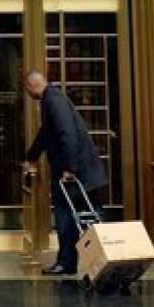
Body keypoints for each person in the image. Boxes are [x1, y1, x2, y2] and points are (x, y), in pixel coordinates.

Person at [21, 69, 107, 276]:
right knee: (77, 216)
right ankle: (73, 261)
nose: (28, 93)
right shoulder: (52, 100)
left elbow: (66, 134)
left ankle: (70, 261)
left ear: (33, 86)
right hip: (81, 172)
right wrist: (31, 156)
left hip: (76, 174)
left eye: (27, 89)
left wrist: (70, 168)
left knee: (66, 215)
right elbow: (46, 134)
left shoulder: (53, 102)